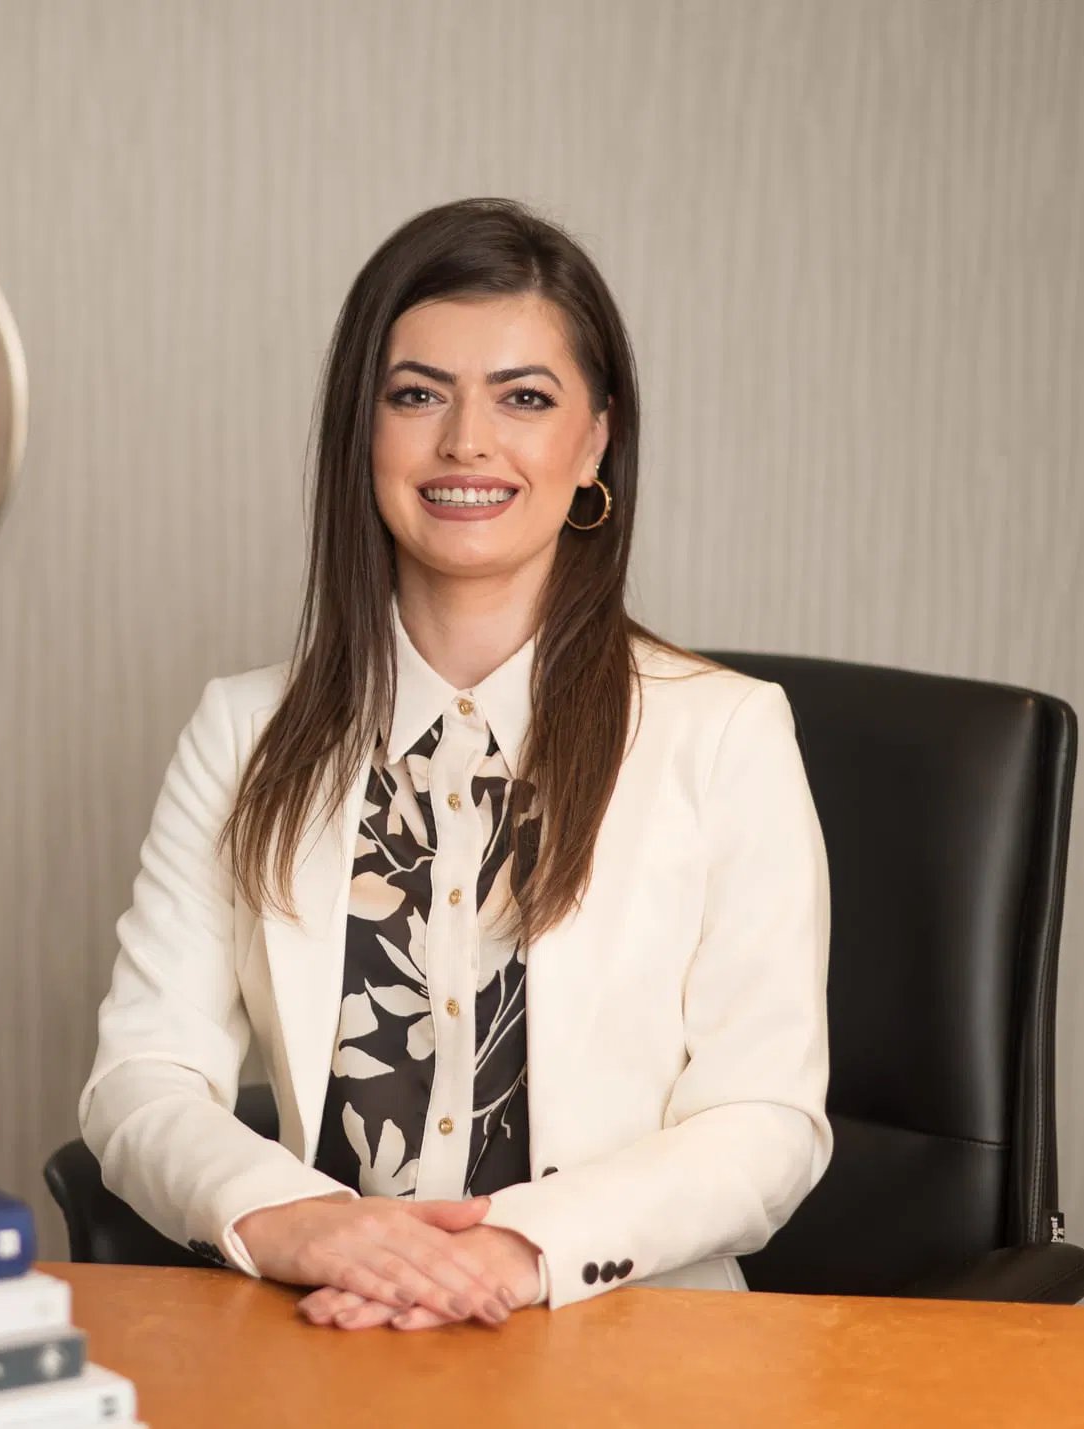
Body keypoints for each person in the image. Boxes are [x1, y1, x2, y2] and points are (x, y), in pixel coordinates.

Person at [79, 198, 831, 1328]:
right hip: (331, 1330)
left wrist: (520, 1253)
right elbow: (141, 1078)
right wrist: (296, 1222)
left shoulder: (724, 732)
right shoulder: (243, 730)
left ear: (594, 442)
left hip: (627, 1342)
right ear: (363, 433)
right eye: (416, 395)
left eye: (524, 398)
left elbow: (768, 1122)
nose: (466, 443)